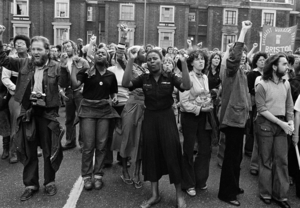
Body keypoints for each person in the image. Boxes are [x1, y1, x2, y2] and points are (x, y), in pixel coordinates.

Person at [0, 25, 65, 201]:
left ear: (47, 50)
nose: (35, 52)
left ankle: (49, 182)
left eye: (39, 49)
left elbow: (68, 83)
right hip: (27, 112)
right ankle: (30, 184)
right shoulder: (23, 63)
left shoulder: (57, 67)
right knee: (28, 150)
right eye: (33, 49)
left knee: (49, 149)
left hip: (48, 114)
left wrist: (68, 65)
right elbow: (3, 60)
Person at [122, 48, 191, 208]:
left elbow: (186, 85)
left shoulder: (170, 76)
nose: (152, 61)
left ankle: (179, 196)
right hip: (150, 118)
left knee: (172, 153)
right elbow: (126, 84)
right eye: (149, 59)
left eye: (155, 58)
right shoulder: (144, 78)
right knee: (151, 154)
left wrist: (184, 63)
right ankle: (155, 195)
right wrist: (131, 60)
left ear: (161, 60)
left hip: (167, 118)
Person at [67, 43, 119, 191]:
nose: (100, 54)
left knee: (102, 145)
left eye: (103, 53)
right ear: (94, 57)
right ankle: (86, 176)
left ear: (107, 58)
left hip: (104, 111)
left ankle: (98, 175)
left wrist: (114, 98)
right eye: (98, 53)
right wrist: (70, 68)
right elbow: (76, 85)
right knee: (88, 145)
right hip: (88, 110)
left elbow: (113, 92)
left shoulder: (111, 75)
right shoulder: (87, 71)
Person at [218, 21, 252, 207]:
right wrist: (243, 31)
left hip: (240, 118)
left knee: (237, 156)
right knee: (231, 157)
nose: (242, 57)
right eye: (240, 54)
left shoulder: (240, 72)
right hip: (233, 119)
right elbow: (235, 57)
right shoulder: (230, 69)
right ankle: (226, 193)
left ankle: (234, 186)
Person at [255, 53, 293, 208]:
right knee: (266, 160)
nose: (288, 67)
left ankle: (281, 195)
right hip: (265, 124)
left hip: (282, 124)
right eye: (284, 64)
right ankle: (265, 193)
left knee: (282, 161)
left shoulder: (286, 83)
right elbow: (261, 109)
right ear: (274, 67)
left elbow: (289, 105)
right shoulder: (262, 84)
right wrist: (281, 123)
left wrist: (289, 120)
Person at [180, 49, 213, 197]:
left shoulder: (205, 77)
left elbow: (205, 95)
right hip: (190, 117)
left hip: (204, 117)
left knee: (205, 150)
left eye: (203, 59)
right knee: (188, 150)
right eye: (197, 59)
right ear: (191, 62)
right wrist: (200, 108)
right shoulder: (186, 76)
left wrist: (209, 103)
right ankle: (188, 183)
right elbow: (184, 102)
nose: (201, 61)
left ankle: (200, 179)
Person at [114, 45, 148, 189]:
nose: (145, 54)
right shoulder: (130, 65)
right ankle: (124, 170)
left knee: (140, 141)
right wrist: (123, 40)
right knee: (127, 137)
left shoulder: (148, 69)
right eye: (143, 52)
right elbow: (119, 56)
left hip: (146, 106)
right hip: (132, 104)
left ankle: (137, 173)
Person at [1, 34, 32, 164]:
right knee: (16, 123)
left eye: (21, 43)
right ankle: (12, 151)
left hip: (31, 96)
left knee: (31, 122)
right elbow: (5, 78)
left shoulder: (32, 59)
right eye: (16, 43)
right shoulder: (11, 60)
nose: (18, 45)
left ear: (27, 46)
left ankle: (31, 149)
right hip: (16, 96)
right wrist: (17, 89)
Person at [60, 40, 89, 151]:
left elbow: (88, 76)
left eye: (68, 46)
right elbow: (61, 80)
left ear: (74, 48)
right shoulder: (63, 61)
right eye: (65, 47)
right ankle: (70, 141)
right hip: (68, 92)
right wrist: (61, 91)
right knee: (69, 118)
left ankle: (82, 143)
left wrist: (84, 88)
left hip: (79, 92)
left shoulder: (82, 61)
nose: (66, 49)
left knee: (82, 117)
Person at [246, 51, 267, 176]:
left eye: (264, 59)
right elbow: (249, 90)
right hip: (256, 106)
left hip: (268, 108)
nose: (262, 62)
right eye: (260, 60)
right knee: (255, 132)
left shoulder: (270, 75)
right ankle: (254, 163)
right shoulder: (254, 75)